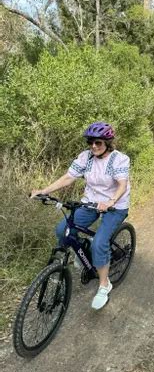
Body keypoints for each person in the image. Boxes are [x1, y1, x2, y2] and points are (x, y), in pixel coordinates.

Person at [31, 122, 130, 310]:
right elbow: (68, 177)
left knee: (100, 242)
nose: (93, 146)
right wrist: (44, 190)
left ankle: (104, 284)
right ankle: (83, 250)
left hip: (114, 206)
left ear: (108, 143)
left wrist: (110, 201)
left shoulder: (119, 159)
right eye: (90, 142)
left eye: (98, 143)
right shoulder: (86, 157)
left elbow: (122, 184)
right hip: (90, 203)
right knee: (63, 230)